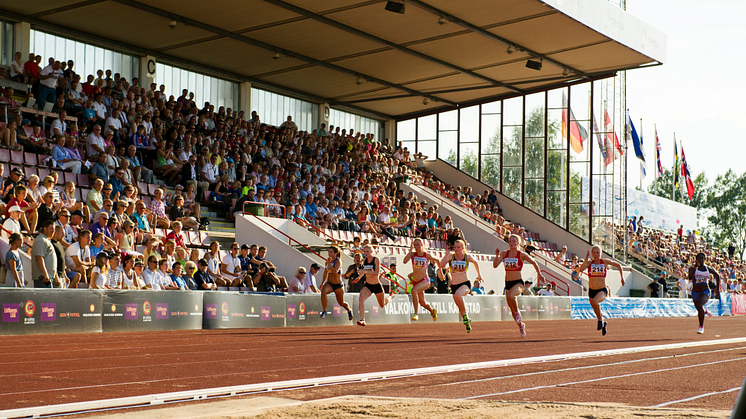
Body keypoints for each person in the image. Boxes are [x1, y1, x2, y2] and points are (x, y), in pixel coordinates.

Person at [492, 234, 543, 338]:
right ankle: (521, 326)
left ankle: (517, 312)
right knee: (511, 308)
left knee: (511, 296)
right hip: (508, 283)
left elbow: (534, 262)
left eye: (514, 241)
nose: (512, 243)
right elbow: (495, 265)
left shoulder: (521, 255)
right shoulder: (504, 253)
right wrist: (497, 256)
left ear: (518, 243)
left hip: (518, 282)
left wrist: (540, 274)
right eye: (510, 241)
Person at [576, 245, 625, 336]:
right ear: (591, 254)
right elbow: (581, 270)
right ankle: (602, 323)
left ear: (601, 253)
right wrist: (586, 259)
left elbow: (618, 265)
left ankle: (600, 320)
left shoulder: (605, 262)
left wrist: (622, 278)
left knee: (595, 302)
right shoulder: (589, 263)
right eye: (594, 253)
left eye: (598, 252)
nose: (596, 254)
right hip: (591, 290)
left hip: (602, 290)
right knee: (596, 309)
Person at [441, 240, 483, 333]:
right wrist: (446, 255)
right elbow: (442, 266)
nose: (456, 249)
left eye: (458, 247)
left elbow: (475, 262)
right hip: (454, 285)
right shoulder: (451, 257)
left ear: (463, 248)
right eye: (455, 247)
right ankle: (467, 321)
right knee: (459, 306)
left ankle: (465, 316)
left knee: (458, 296)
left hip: (465, 283)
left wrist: (479, 274)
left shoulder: (466, 257)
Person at [402, 238, 437, 321]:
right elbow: (404, 261)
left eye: (417, 245)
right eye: (414, 245)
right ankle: (432, 311)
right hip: (416, 281)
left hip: (425, 280)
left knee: (413, 290)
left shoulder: (426, 255)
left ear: (422, 245)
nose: (416, 247)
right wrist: (410, 251)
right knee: (422, 303)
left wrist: (441, 272)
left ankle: (416, 313)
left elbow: (437, 260)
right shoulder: (412, 254)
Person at [357, 245, 390, 326]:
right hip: (368, 285)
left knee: (382, 304)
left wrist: (364, 272)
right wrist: (359, 277)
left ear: (372, 252)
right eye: (364, 252)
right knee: (361, 299)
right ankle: (362, 320)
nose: (366, 253)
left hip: (377, 285)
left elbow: (376, 273)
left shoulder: (376, 260)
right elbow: (365, 270)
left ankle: (390, 297)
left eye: (367, 251)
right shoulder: (364, 260)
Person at [689, 252, 720, 334]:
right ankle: (705, 311)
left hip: (705, 291)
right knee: (699, 308)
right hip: (695, 292)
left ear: (704, 259)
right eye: (699, 258)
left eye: (702, 258)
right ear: (696, 260)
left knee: (700, 305)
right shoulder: (692, 269)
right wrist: (695, 268)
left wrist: (717, 289)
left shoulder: (707, 269)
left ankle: (701, 327)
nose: (700, 260)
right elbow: (690, 278)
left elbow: (717, 275)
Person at [319, 246, 353, 320]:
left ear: (335, 253)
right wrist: (322, 283)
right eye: (329, 252)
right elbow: (325, 273)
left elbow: (335, 271)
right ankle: (325, 310)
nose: (329, 254)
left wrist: (329, 263)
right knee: (323, 292)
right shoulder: (327, 262)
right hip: (330, 283)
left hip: (338, 285)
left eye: (331, 252)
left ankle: (349, 310)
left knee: (341, 303)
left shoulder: (338, 261)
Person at [31, 220, 57, 288]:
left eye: (54, 229)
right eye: (51, 229)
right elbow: (39, 258)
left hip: (47, 278)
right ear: (45, 229)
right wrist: (45, 274)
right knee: (43, 298)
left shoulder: (46, 240)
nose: (53, 231)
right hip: (43, 279)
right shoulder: (41, 240)